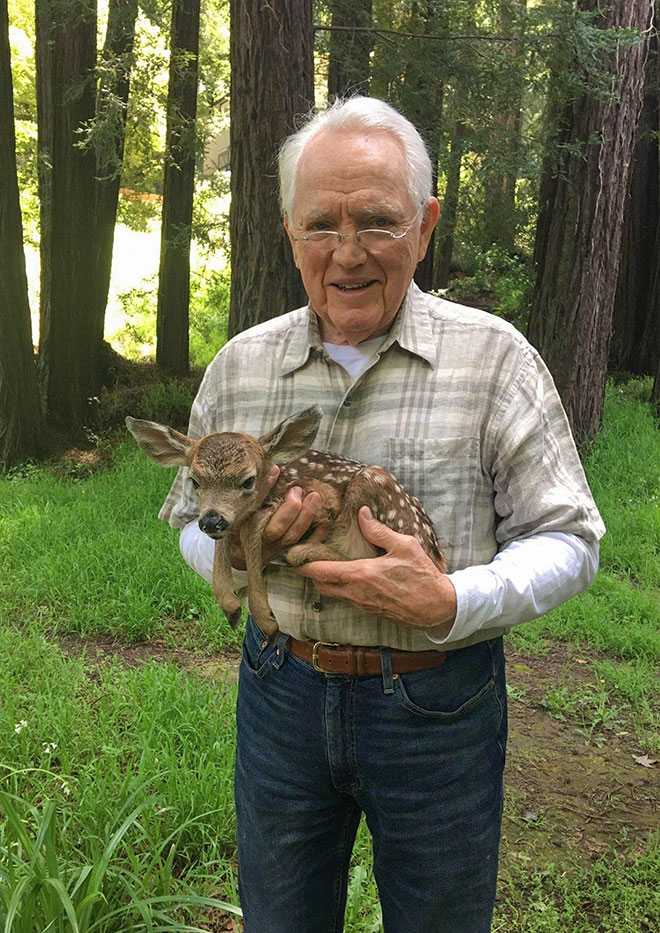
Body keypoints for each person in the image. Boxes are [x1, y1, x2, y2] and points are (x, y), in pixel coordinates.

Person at [159, 97, 605, 933]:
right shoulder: (240, 366)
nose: (349, 253)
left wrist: (455, 602)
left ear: (427, 224)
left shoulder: (495, 359)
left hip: (437, 704)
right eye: (321, 224)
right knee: (282, 917)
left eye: (378, 221)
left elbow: (570, 539)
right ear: (288, 230)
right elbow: (192, 519)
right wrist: (250, 557)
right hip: (280, 689)